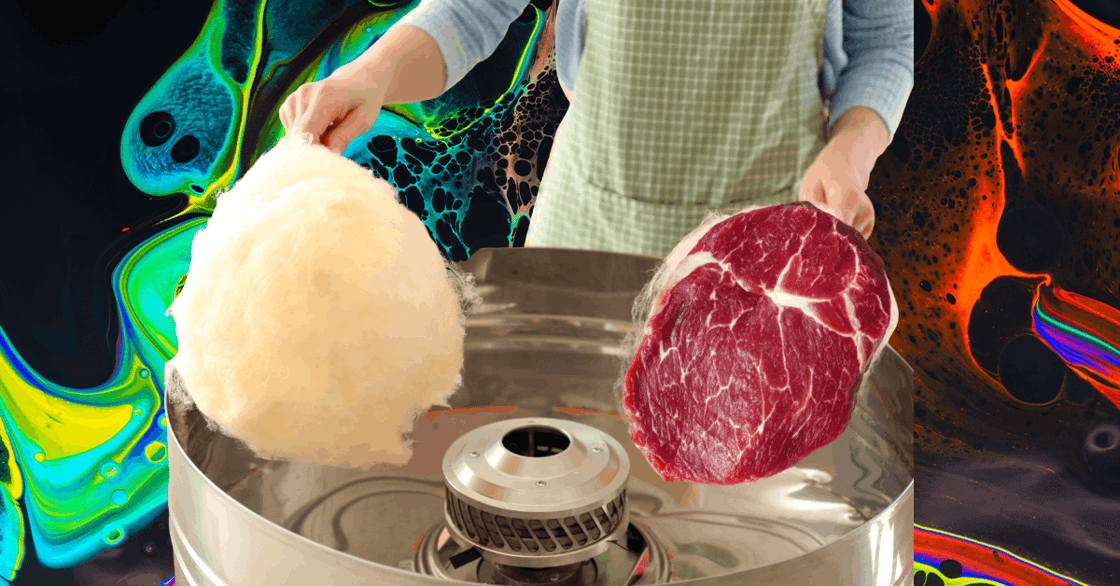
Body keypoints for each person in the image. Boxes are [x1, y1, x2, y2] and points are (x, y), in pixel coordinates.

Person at [280, 0, 913, 256]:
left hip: (773, 232)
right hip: (588, 232)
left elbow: (884, 44)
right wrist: (372, 76)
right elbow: (474, 10)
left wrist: (848, 155)